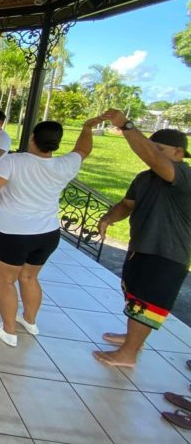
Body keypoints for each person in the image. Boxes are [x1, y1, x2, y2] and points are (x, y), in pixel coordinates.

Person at [0, 117, 101, 347]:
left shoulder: (14, 161)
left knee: (6, 281)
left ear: (32, 137)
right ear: (57, 143)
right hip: (48, 233)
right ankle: (30, 321)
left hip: (14, 233)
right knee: (30, 277)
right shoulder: (65, 163)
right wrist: (87, 127)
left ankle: (9, 330)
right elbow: (83, 149)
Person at [92, 111, 191, 368]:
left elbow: (149, 156)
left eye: (159, 149)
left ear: (179, 153)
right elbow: (127, 204)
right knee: (135, 297)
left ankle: (129, 353)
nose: (153, 154)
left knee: (148, 303)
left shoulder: (184, 175)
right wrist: (108, 218)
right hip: (141, 247)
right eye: (153, 148)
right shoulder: (145, 178)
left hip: (167, 253)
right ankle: (133, 340)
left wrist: (126, 126)